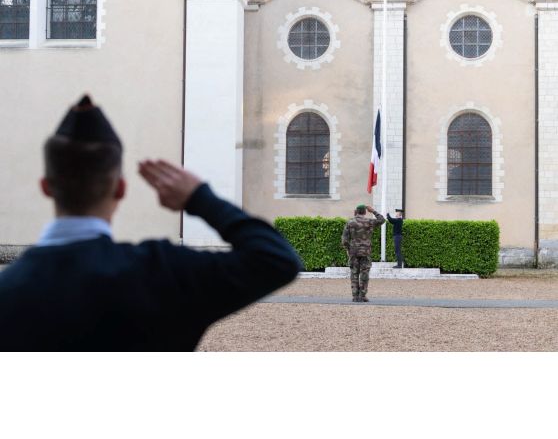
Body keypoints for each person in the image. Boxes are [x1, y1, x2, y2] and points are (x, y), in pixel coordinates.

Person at [0, 95, 302, 351]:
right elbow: (276, 260)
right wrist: (200, 198)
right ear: (121, 188)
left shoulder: (9, 289)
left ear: (46, 187)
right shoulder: (162, 272)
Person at [341, 204, 385, 302]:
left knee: (354, 273)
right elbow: (382, 220)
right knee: (364, 273)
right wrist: (373, 211)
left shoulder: (350, 222)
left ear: (356, 211)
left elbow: (344, 240)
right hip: (366, 251)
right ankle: (363, 295)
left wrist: (348, 249)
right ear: (365, 212)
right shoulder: (369, 222)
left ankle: (355, 296)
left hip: (353, 251)